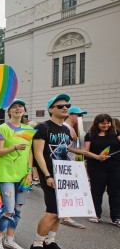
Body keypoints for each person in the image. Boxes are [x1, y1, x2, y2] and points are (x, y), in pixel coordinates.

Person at [30, 94, 82, 249]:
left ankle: (49, 241)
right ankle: (37, 243)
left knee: (61, 211)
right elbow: (38, 153)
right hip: (50, 175)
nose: (65, 108)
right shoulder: (42, 127)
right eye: (60, 106)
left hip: (64, 175)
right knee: (52, 211)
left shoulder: (66, 130)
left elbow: (65, 152)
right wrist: (46, 175)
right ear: (51, 110)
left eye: (67, 105)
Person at [0, 99, 33, 249]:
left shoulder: (27, 130)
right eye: (14, 107)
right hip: (6, 174)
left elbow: (30, 152)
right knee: (8, 209)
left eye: (20, 106)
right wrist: (14, 147)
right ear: (9, 112)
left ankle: (10, 238)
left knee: (17, 209)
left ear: (24, 110)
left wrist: (30, 171)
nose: (18, 109)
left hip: (23, 175)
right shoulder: (1, 128)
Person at [83, 114, 120, 225]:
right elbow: (86, 151)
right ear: (97, 123)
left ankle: (116, 217)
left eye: (108, 123)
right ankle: (95, 214)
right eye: (103, 123)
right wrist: (97, 156)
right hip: (96, 166)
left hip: (115, 166)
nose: (106, 125)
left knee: (115, 192)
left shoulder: (116, 134)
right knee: (97, 191)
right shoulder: (90, 135)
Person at [59, 105, 88, 229]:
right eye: (78, 115)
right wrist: (85, 153)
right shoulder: (66, 128)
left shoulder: (73, 128)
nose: (80, 117)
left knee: (70, 190)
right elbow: (65, 147)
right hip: (65, 163)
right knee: (66, 191)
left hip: (71, 162)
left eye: (81, 115)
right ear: (70, 115)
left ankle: (66, 216)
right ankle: (65, 217)